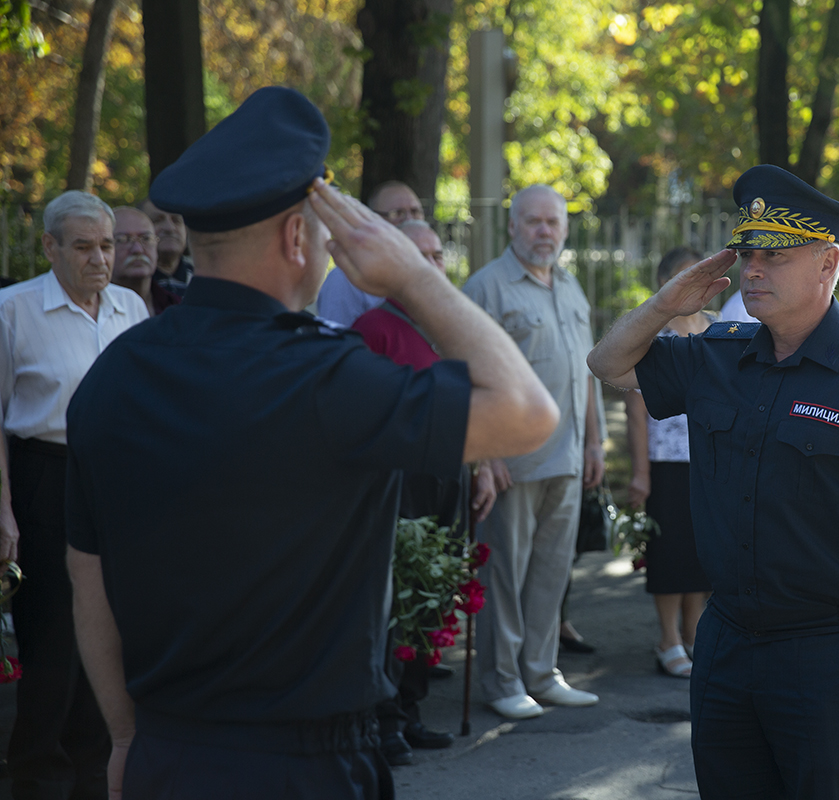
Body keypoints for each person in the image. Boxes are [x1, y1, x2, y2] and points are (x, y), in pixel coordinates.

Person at [63, 86, 558, 800]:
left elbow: (88, 576)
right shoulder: (329, 378)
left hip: (165, 755)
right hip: (302, 766)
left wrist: (124, 736)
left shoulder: (111, 377)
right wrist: (412, 275)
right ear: (298, 237)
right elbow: (528, 413)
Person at [588, 164, 839, 800]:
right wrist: (667, 304)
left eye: (775, 256)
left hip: (827, 653)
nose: (752, 270)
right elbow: (607, 363)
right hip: (725, 641)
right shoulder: (719, 354)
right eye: (748, 254)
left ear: (827, 264)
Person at [0, 190, 148, 799]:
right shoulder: (13, 310)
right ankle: (39, 776)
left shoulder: (131, 307)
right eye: (84, 246)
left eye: (107, 245)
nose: (100, 259)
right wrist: (3, 509)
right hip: (45, 475)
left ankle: (96, 776)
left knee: (111, 630)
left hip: (116, 480)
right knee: (54, 639)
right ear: (50, 247)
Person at [352, 219, 496, 765]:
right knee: (395, 599)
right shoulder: (372, 328)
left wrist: (482, 465)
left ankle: (410, 710)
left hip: (450, 470)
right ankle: (383, 719)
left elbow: (475, 398)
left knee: (432, 593)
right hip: (398, 481)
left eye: (438, 255)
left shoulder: (454, 327)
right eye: (421, 256)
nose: (435, 265)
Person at [462, 185, 606, 720]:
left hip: (566, 458)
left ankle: (542, 675)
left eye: (553, 222)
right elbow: (467, 375)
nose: (545, 231)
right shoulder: (486, 287)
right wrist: (485, 453)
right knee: (503, 576)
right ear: (512, 226)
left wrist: (594, 442)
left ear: (564, 229)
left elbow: (586, 371)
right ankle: (502, 682)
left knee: (550, 574)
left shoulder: (570, 285)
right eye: (534, 221)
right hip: (511, 462)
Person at [624, 246, 713, 679]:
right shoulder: (652, 335)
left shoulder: (717, 329)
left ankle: (693, 633)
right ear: (665, 282)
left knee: (701, 552)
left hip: (709, 462)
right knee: (669, 552)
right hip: (665, 463)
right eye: (686, 275)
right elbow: (636, 409)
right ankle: (667, 639)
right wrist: (641, 473)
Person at [316, 181, 425, 326]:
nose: (410, 220)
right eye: (397, 213)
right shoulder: (345, 279)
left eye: (416, 211)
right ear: (372, 219)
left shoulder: (430, 268)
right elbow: (335, 335)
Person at [111, 206, 181, 316]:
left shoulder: (175, 306)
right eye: (123, 239)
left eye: (146, 238)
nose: (137, 250)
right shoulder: (92, 310)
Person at [137, 199, 192, 296]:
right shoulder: (129, 280)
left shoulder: (204, 279)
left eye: (176, 220)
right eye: (158, 220)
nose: (170, 228)